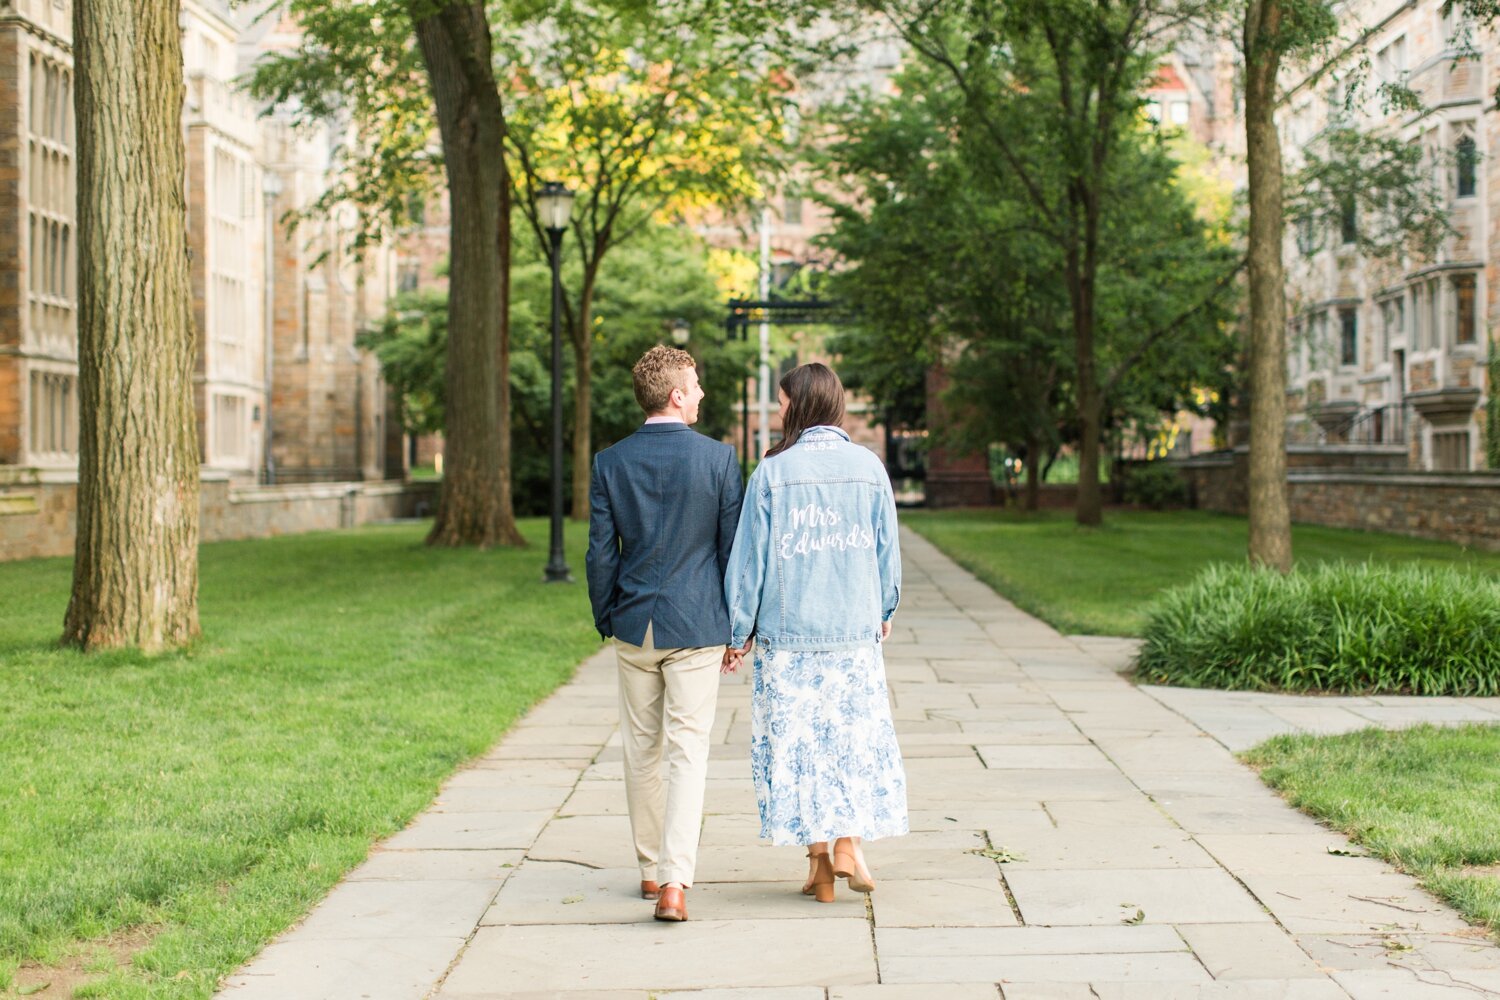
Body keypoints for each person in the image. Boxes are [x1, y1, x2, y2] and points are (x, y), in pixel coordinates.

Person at [723, 362, 907, 903]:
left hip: (789, 638)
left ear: (799, 406)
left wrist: (739, 631)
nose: (778, 411)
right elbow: (886, 554)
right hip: (852, 633)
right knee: (850, 742)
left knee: (801, 748)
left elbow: (749, 562)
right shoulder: (869, 467)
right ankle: (845, 847)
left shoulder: (772, 474)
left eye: (781, 403)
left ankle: (821, 865)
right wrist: (885, 608)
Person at [586, 345, 744, 923]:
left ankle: (651, 870)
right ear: (677, 395)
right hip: (698, 623)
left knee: (641, 751)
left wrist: (609, 616)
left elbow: (600, 554)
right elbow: (733, 554)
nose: (701, 394)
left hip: (636, 627)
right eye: (696, 385)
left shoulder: (611, 462)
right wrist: (737, 627)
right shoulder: (719, 461)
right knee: (688, 751)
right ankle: (677, 880)